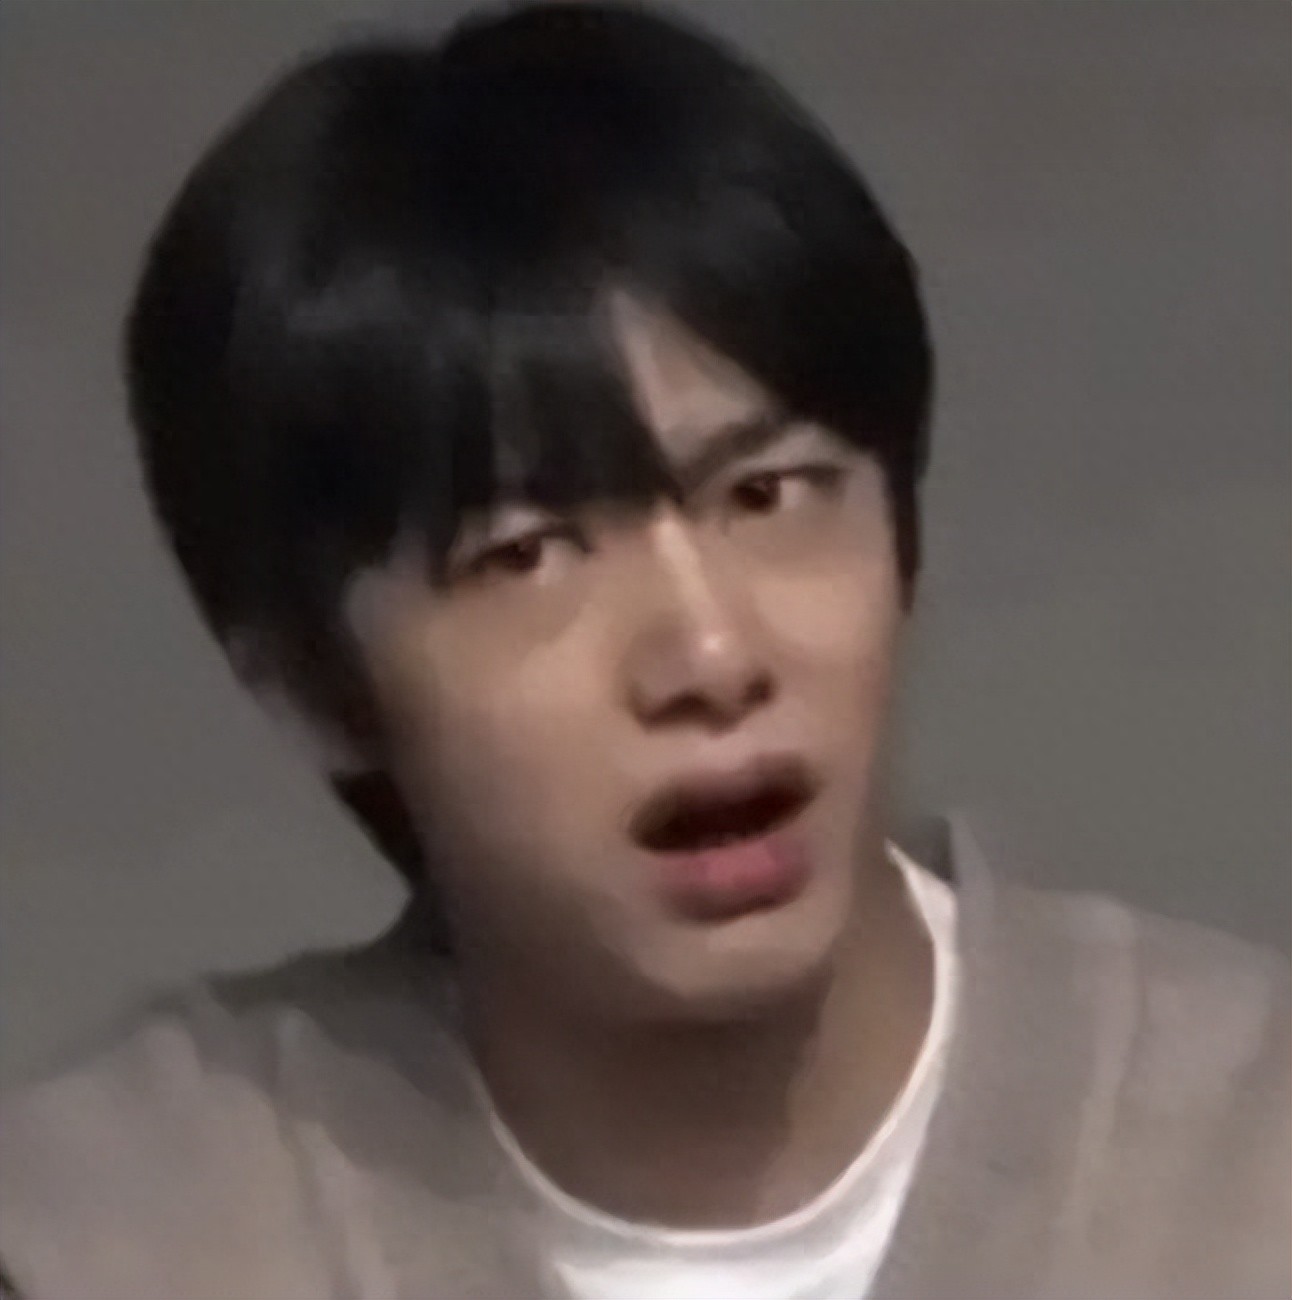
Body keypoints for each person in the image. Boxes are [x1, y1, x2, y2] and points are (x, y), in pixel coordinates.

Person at [1, 4, 1287, 1297]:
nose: (712, 654)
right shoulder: (121, 1231)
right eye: (527, 555)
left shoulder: (1245, 1158)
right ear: (308, 687)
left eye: (771, 494)